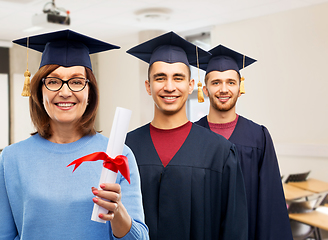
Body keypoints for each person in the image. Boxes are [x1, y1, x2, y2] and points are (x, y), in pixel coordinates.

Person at [0, 30, 149, 240]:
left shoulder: (118, 155)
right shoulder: (12, 159)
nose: (65, 92)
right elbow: (1, 236)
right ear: (39, 90)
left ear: (89, 92)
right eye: (54, 81)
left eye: (76, 81)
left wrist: (117, 211)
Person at [124, 32, 248, 240]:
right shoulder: (127, 147)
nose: (169, 87)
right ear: (148, 86)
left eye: (178, 78)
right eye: (160, 78)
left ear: (191, 86)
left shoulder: (220, 151)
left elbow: (234, 229)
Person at [195, 44, 292, 240]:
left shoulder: (258, 137)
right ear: (205, 89)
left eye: (231, 82)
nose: (223, 89)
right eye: (216, 83)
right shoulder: (192, 136)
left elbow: (270, 202)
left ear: (240, 88)